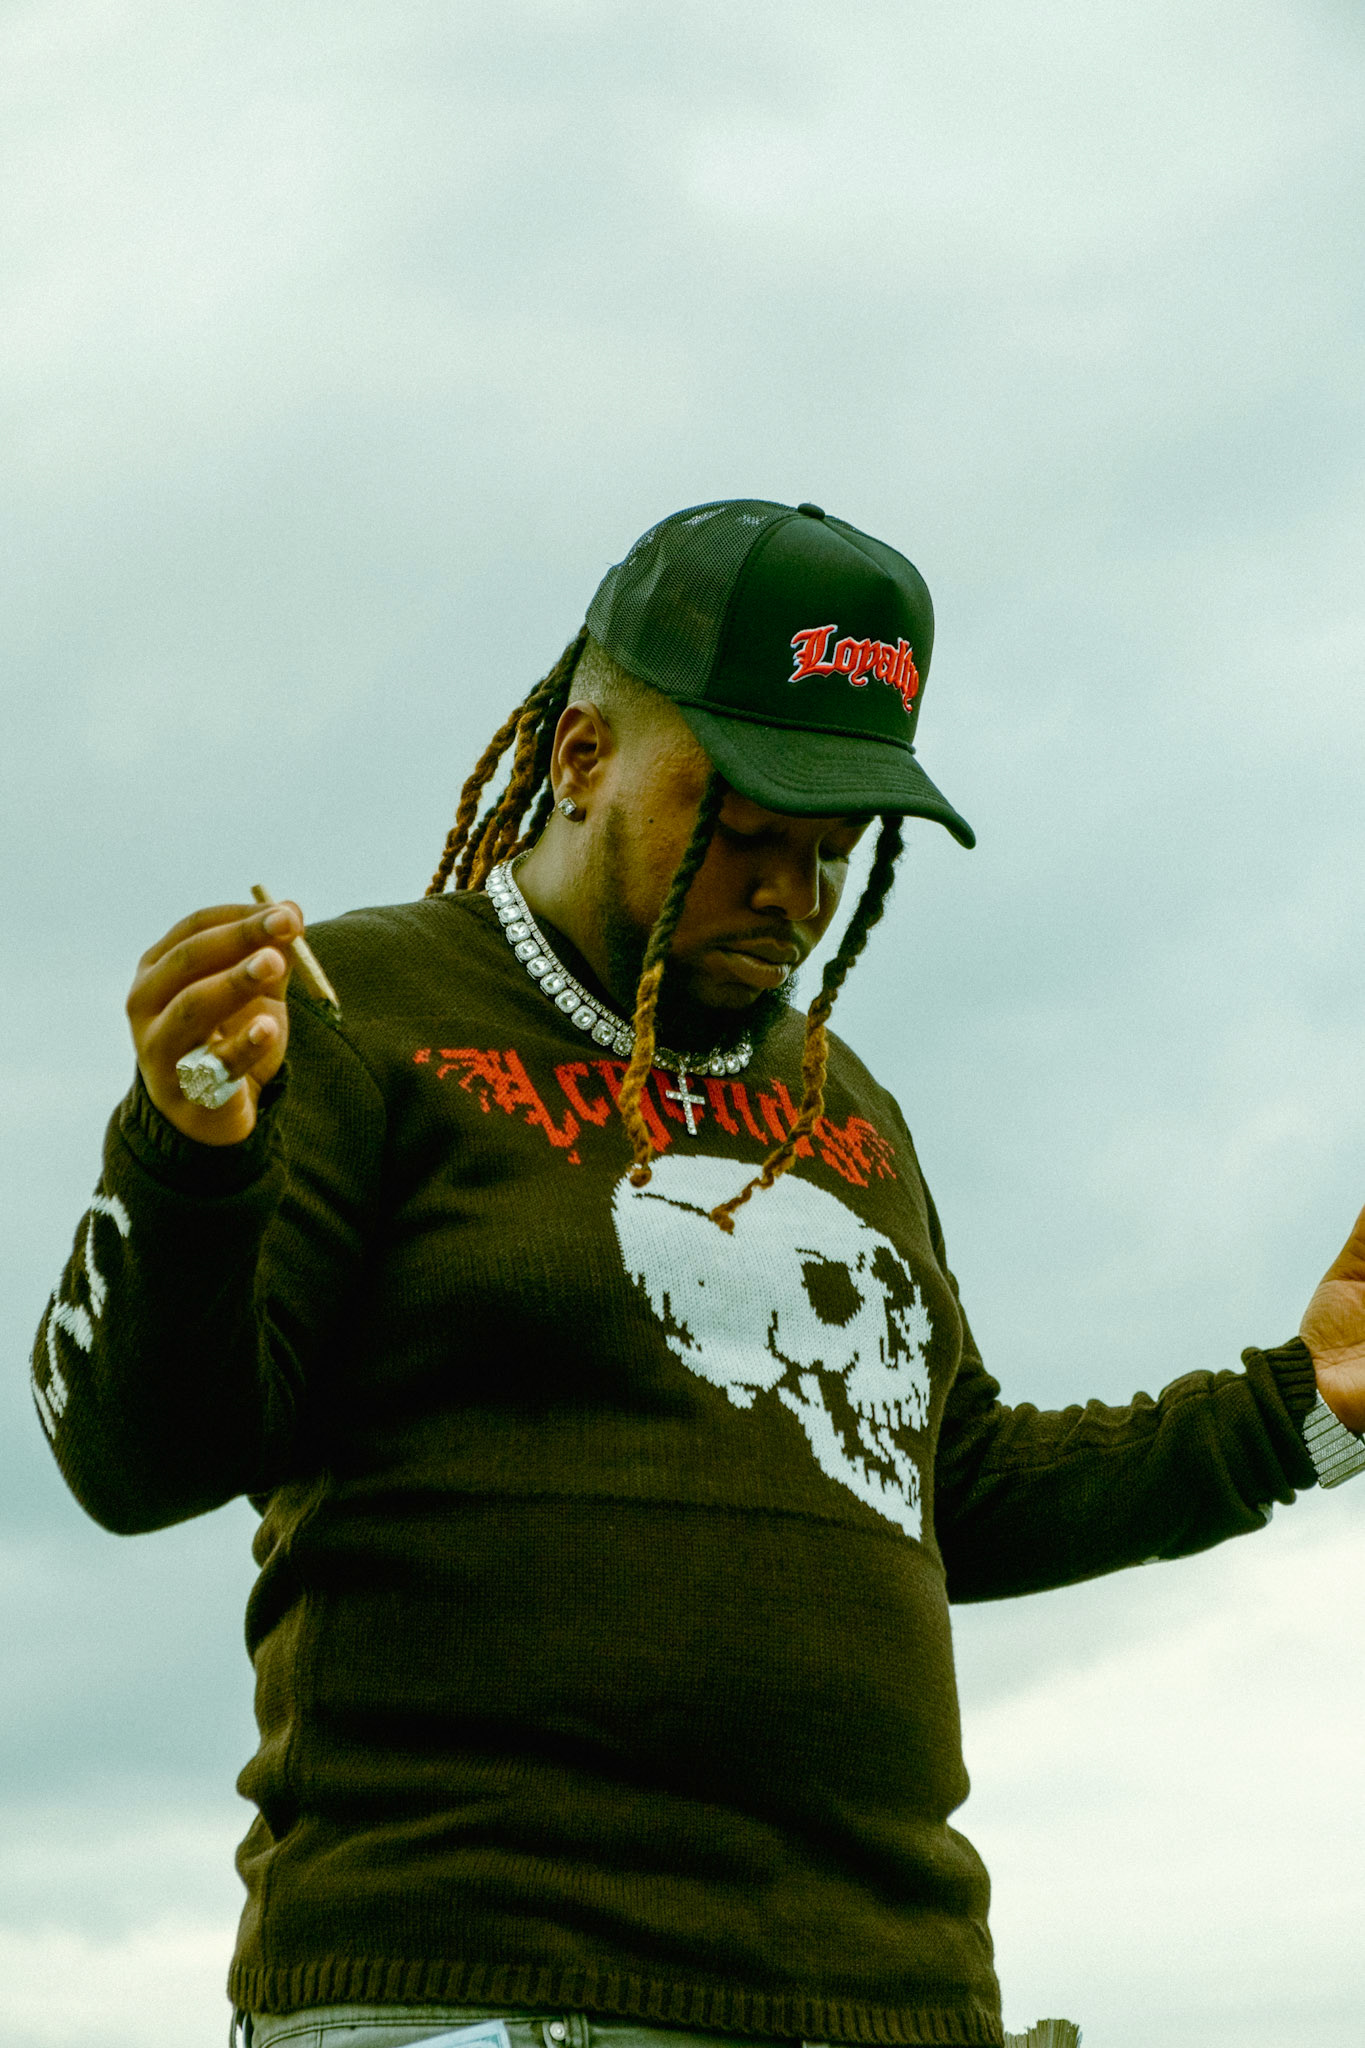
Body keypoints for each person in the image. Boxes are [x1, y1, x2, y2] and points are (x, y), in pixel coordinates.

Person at [30, 497, 1365, 2048]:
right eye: (744, 829)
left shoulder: (839, 1104)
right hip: (482, 1988)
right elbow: (138, 1461)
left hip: (890, 1996)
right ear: (580, 755)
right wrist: (189, 1151)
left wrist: (1305, 1406)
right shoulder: (363, 1015)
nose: (792, 892)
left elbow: (950, 1488)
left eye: (834, 847)